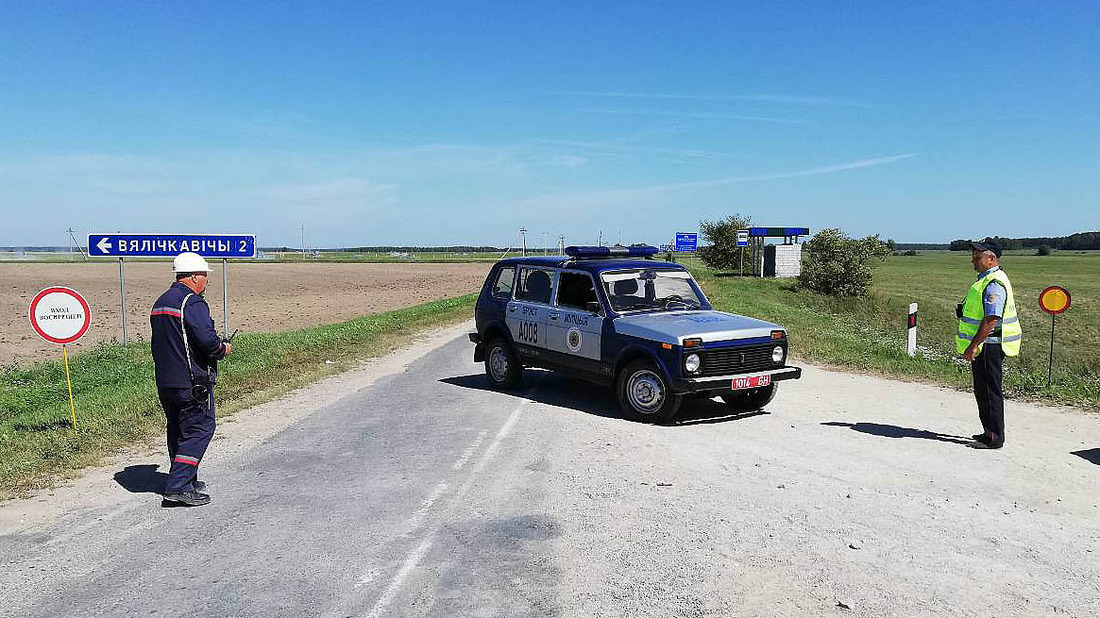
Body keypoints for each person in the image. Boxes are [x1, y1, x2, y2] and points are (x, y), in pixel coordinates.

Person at [150, 252, 232, 506]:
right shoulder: (192, 302)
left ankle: (186, 478)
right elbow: (207, 342)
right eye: (205, 276)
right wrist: (223, 349)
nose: (206, 281)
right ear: (195, 276)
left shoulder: (161, 301)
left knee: (178, 429)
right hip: (192, 381)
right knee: (199, 429)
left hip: (166, 379)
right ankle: (178, 486)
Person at [956, 238, 1022, 449]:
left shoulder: (994, 283)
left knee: (989, 391)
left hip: (989, 345)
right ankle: (988, 432)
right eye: (973, 256)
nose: (973, 260)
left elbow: (991, 319)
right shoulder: (986, 279)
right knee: (982, 390)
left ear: (992, 258)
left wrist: (973, 345)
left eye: (978, 256)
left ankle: (994, 438)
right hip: (986, 344)